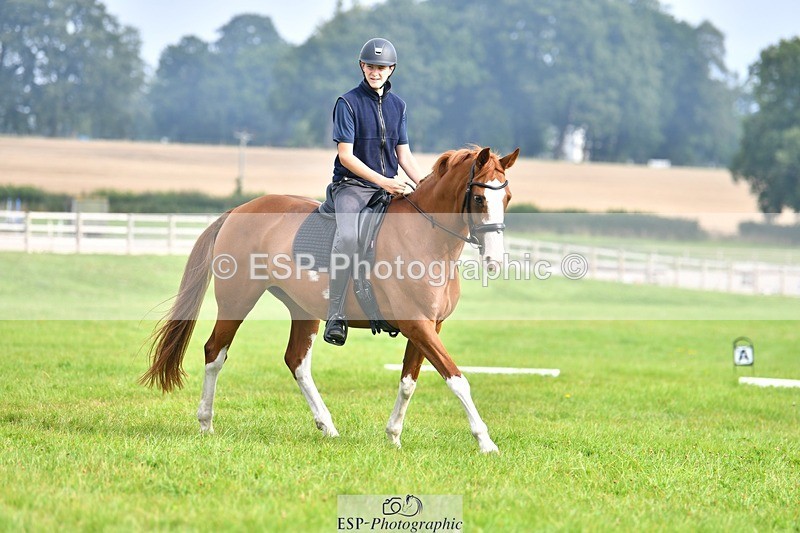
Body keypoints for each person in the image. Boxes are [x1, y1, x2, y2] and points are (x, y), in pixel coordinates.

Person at [323, 37, 425, 346]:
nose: (375, 72)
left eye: (381, 67)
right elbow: (346, 156)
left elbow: (404, 155)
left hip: (389, 187)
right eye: (370, 66)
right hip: (351, 187)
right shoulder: (347, 103)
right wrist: (385, 182)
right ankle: (336, 313)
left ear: (392, 69)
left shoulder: (399, 106)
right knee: (351, 237)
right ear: (361, 67)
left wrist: (426, 187)